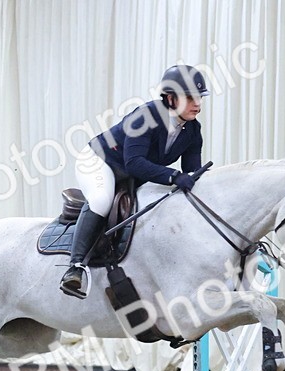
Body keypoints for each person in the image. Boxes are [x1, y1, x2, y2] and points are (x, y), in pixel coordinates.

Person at [60, 64, 209, 299]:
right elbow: (135, 162)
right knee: (101, 200)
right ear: (170, 98)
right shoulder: (146, 116)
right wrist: (173, 176)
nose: (198, 103)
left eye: (200, 97)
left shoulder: (192, 130)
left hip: (132, 173)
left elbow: (191, 173)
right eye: (190, 97)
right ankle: (75, 267)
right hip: (100, 160)